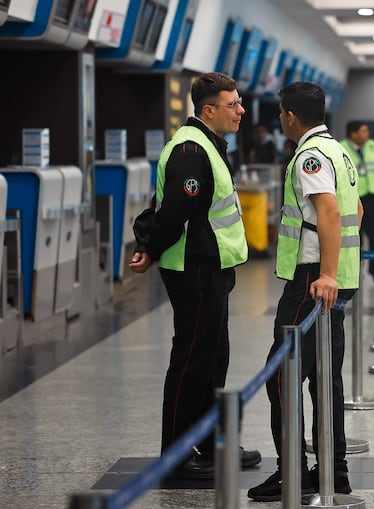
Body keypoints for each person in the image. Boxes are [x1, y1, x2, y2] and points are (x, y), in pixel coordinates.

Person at [128, 72, 261, 479]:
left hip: (214, 265)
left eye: (239, 103)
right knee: (191, 361)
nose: (241, 111)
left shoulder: (209, 144)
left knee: (213, 359)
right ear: (208, 110)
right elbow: (173, 213)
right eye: (233, 104)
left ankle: (213, 441)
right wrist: (150, 248)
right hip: (195, 268)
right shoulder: (190, 149)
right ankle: (177, 456)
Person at [247, 82, 363, 502]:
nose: (280, 120)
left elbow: (330, 212)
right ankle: (335, 470)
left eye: (280, 114)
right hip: (337, 277)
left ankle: (292, 471)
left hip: (313, 279)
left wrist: (326, 272)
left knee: (282, 376)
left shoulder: (310, 156)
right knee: (324, 378)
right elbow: (357, 209)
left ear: (291, 115)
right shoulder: (339, 151)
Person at [340, 121, 374, 284]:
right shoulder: (340, 148)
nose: (367, 134)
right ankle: (354, 272)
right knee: (353, 237)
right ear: (353, 133)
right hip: (352, 199)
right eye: (363, 131)